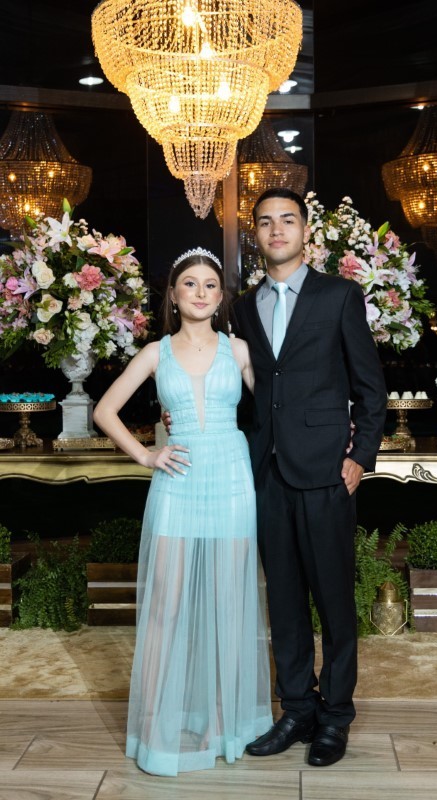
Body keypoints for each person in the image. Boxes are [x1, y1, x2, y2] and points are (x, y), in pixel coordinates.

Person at [93, 248, 272, 777]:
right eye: (189, 283)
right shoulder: (155, 353)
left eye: (210, 285)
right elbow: (105, 411)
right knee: (165, 607)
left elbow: (274, 409)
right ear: (173, 294)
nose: (200, 292)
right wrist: (147, 454)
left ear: (221, 298)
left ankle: (222, 724)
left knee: (229, 604)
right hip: (177, 481)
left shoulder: (239, 350)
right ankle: (156, 731)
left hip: (232, 479)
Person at [232, 188, 387, 767]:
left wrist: (360, 457)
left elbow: (370, 388)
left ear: (305, 231)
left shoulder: (339, 295)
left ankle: (336, 716)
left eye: (287, 220)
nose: (276, 230)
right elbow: (251, 393)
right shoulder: (242, 307)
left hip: (326, 471)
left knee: (334, 600)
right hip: (267, 472)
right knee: (285, 600)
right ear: (255, 234)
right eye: (265, 222)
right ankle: (297, 708)